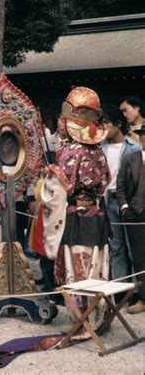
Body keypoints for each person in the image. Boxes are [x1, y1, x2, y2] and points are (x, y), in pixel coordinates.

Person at [40, 87, 110, 332]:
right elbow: (102, 186)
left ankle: (81, 322)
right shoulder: (99, 152)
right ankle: (98, 317)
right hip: (97, 217)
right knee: (97, 266)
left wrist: (49, 178)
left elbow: (57, 192)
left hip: (76, 218)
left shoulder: (70, 152)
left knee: (76, 268)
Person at [101, 104, 140, 281]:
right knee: (116, 248)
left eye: (107, 123)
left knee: (135, 248)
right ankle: (121, 289)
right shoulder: (100, 149)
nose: (104, 127)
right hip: (109, 200)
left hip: (130, 201)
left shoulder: (133, 148)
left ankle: (137, 291)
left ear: (117, 123)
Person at [117, 122, 145, 314]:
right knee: (139, 258)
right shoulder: (130, 158)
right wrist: (125, 207)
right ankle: (143, 298)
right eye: (143, 134)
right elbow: (120, 186)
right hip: (135, 214)